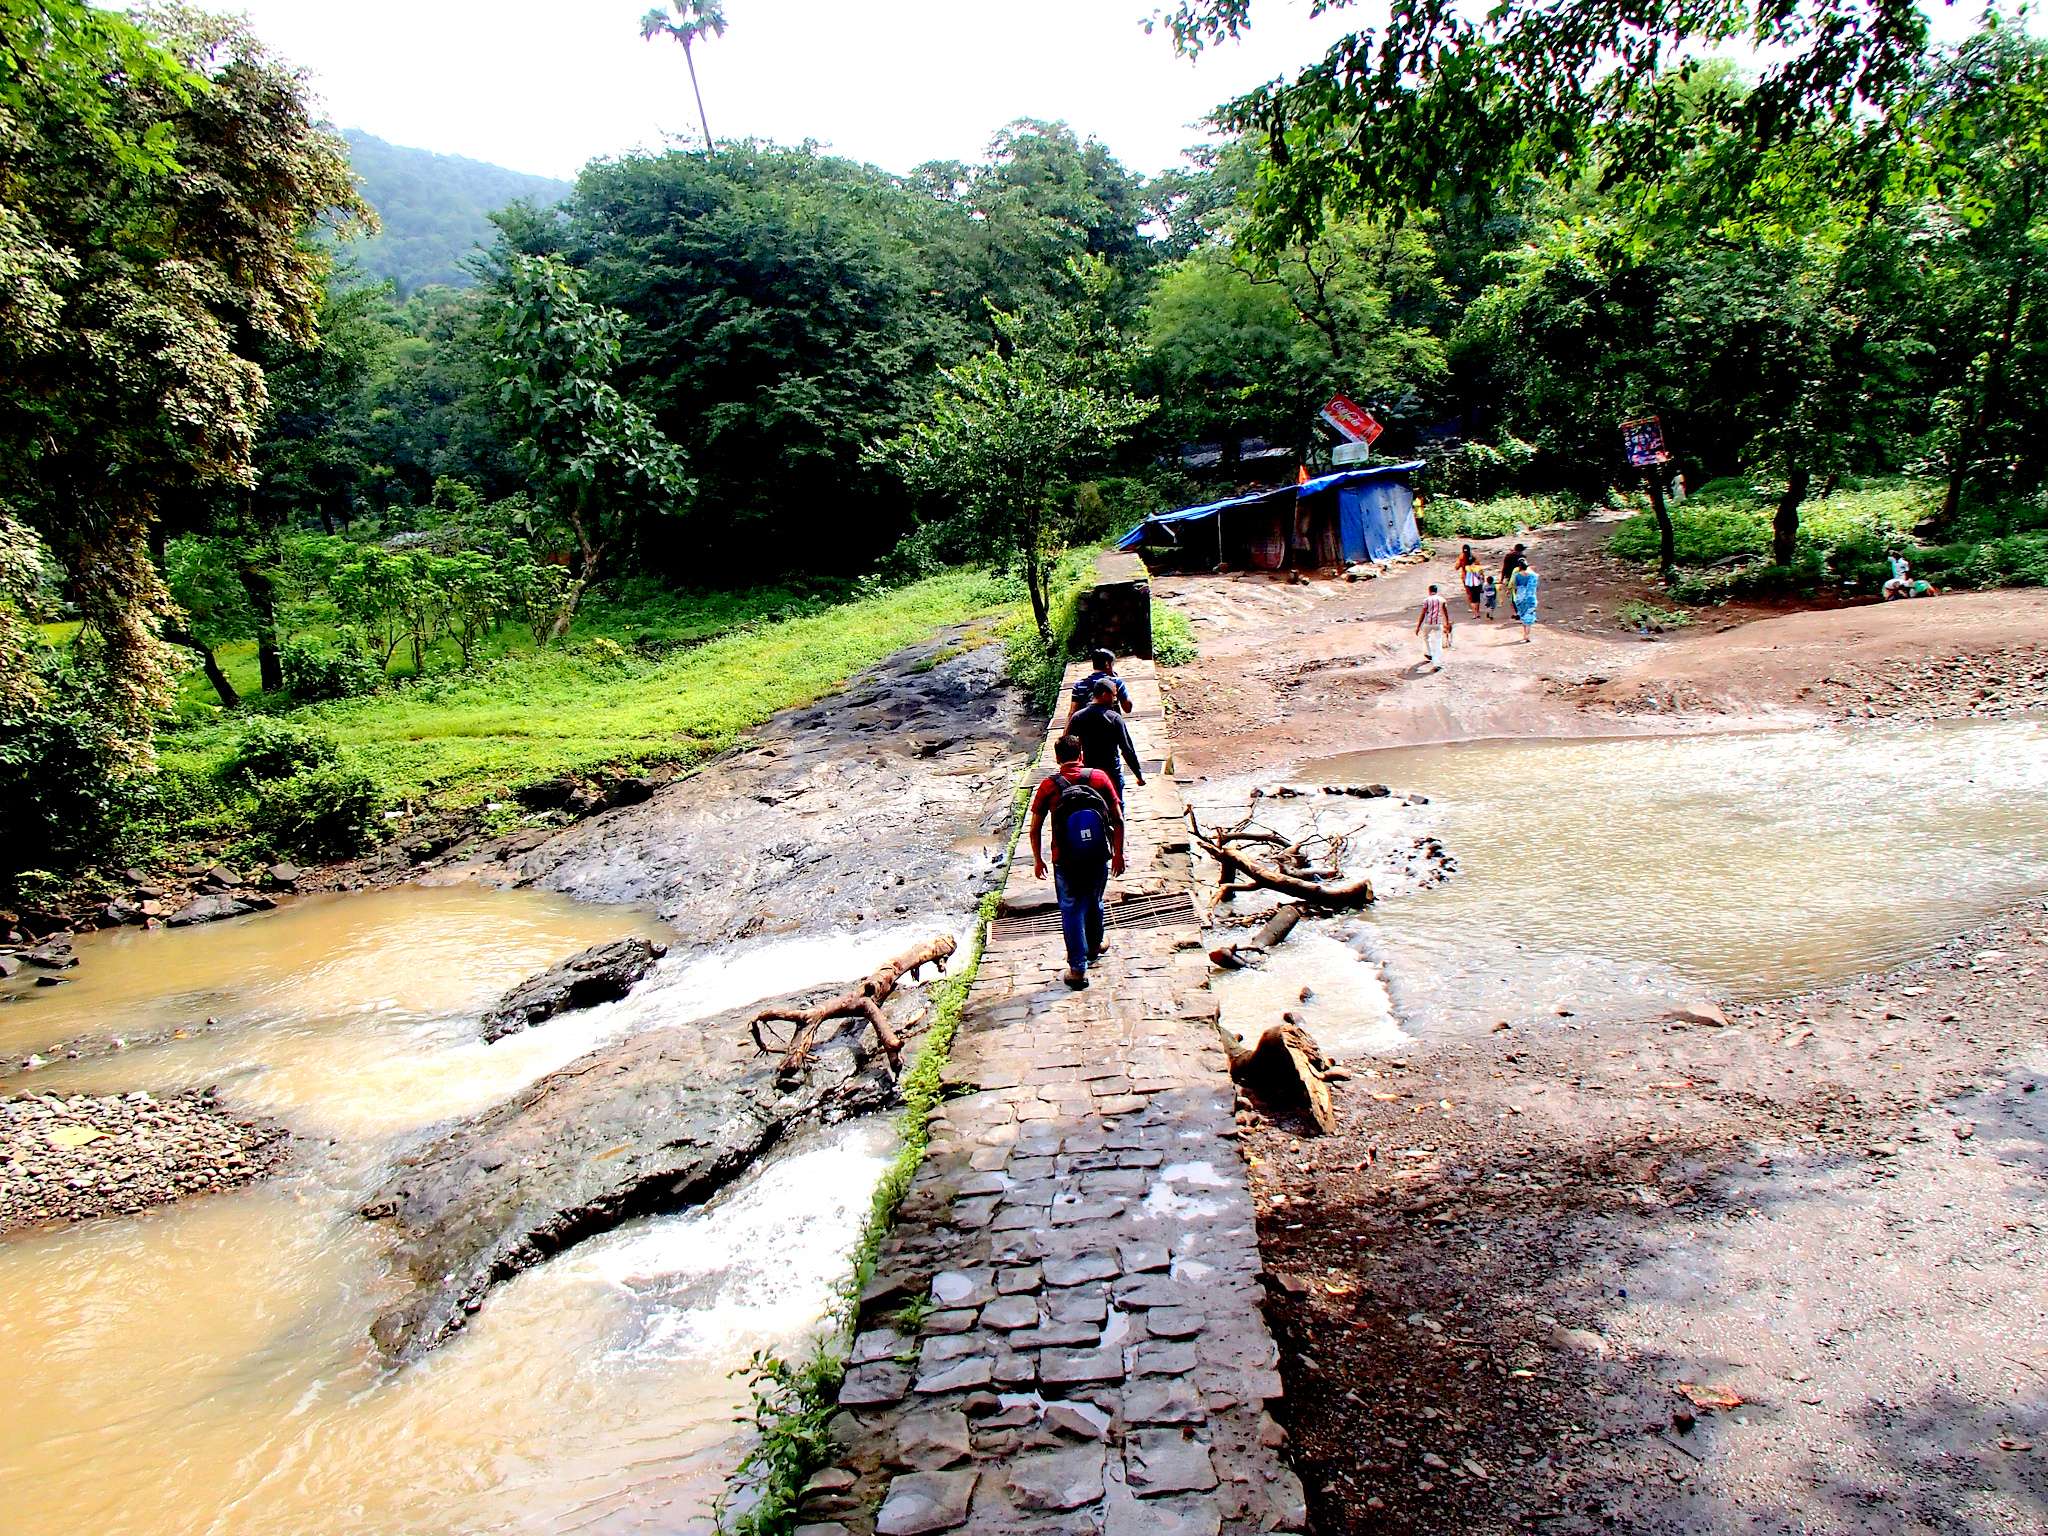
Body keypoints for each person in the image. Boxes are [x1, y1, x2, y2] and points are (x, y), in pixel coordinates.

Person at [1029, 733, 1126, 988]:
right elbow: (1118, 819)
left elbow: (1035, 828)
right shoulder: (1099, 778)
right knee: (1094, 900)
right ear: (1081, 755)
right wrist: (1118, 853)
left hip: (1065, 859)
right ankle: (1094, 947)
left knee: (1071, 909)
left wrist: (1038, 860)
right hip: (1097, 855)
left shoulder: (1049, 786)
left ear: (1058, 758)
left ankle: (1078, 969)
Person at [1069, 679, 1146, 804]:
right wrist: (1138, 775)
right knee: (1116, 808)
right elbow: (1127, 750)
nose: (1115, 700)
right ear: (1105, 695)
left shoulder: (1078, 717)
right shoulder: (1114, 718)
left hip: (1088, 774)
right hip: (1112, 773)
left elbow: (1069, 747)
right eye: (1114, 696)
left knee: (1092, 807)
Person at [1067, 648, 1133, 719]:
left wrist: (1065, 730)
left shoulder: (1079, 685)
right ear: (1107, 664)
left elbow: (1072, 713)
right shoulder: (1115, 682)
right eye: (1112, 665)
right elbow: (1127, 709)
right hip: (1111, 726)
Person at [1415, 583, 1453, 670]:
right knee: (1438, 642)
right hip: (1438, 623)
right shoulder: (1442, 600)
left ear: (1429, 591)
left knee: (1425, 637)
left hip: (1428, 623)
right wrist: (1447, 623)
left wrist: (1418, 626)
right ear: (1436, 591)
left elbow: (1423, 613)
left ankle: (1429, 653)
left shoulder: (1426, 600)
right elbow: (1445, 613)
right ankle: (1437, 664)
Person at [1511, 561, 1540, 642]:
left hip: (1520, 597)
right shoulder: (1533, 575)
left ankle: (1525, 634)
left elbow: (1515, 586)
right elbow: (1535, 587)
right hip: (1530, 597)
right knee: (1529, 615)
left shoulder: (1517, 575)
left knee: (1522, 615)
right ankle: (1527, 635)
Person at [1455, 543, 1485, 616]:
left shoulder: (1461, 557)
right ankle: (1477, 610)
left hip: (1466, 578)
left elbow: (1456, 567)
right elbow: (1479, 566)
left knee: (1469, 594)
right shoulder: (1473, 557)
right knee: (1477, 595)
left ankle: (1473, 609)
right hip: (1476, 579)